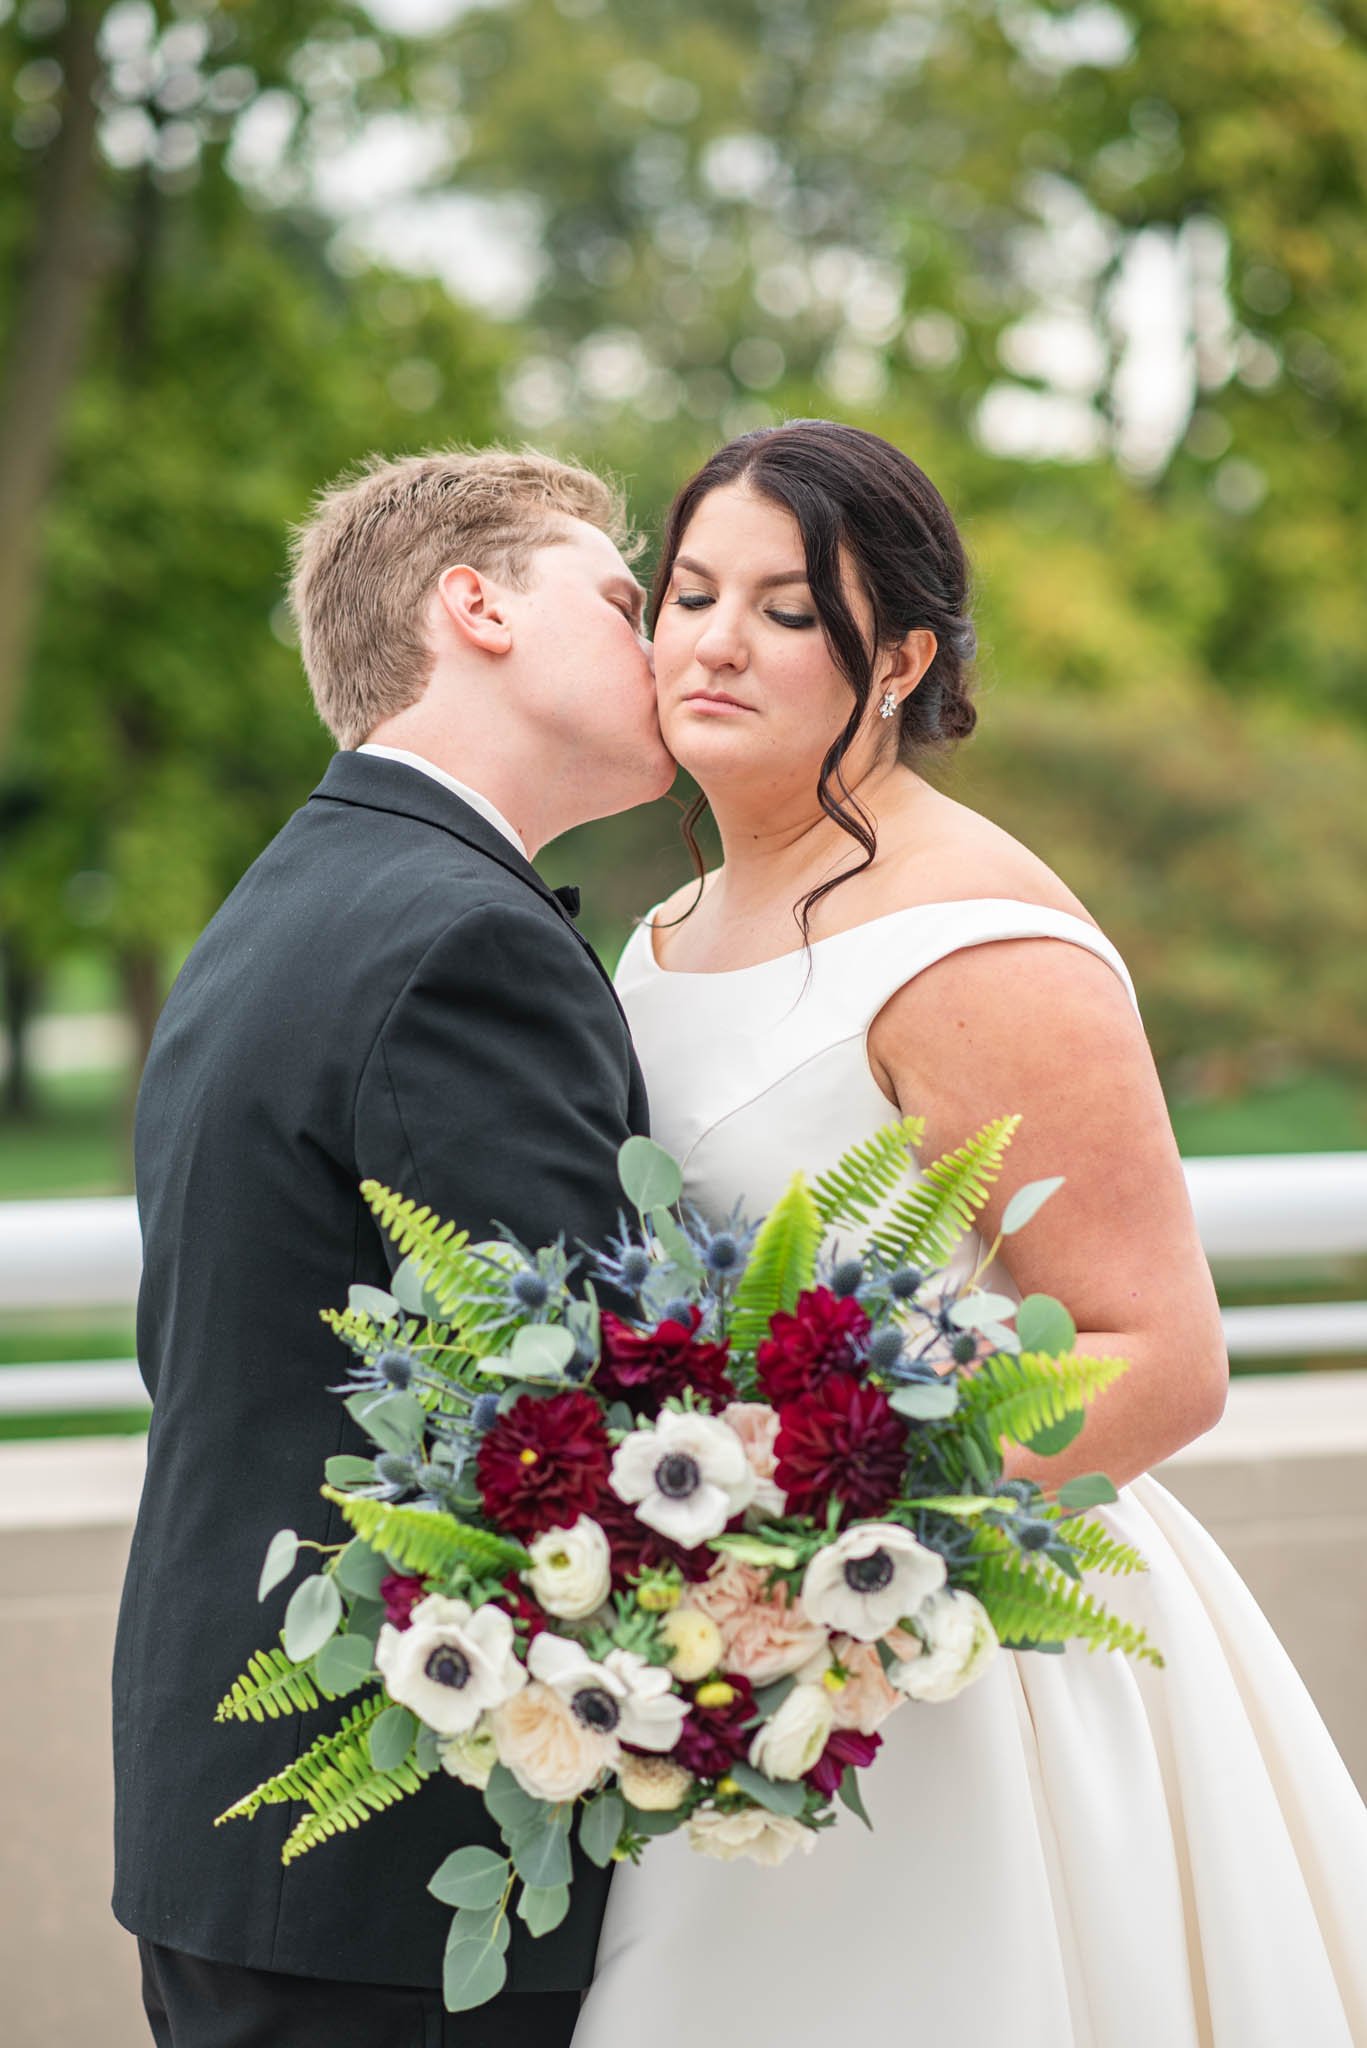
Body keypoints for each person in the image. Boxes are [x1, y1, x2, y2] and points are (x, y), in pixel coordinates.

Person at [574, 420, 1367, 2047]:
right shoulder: (660, 928)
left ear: (900, 658)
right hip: (720, 1659)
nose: (714, 640)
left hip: (951, 1656)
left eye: (789, 611)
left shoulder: (980, 944)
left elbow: (1166, 1358)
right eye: (691, 591)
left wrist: (821, 1567)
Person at [111, 447, 673, 2048]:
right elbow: (581, 1417)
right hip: (396, 1856)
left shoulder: (303, 891)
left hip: (253, 1821)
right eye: (628, 599)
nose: (673, 646)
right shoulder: (463, 938)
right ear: (474, 605)